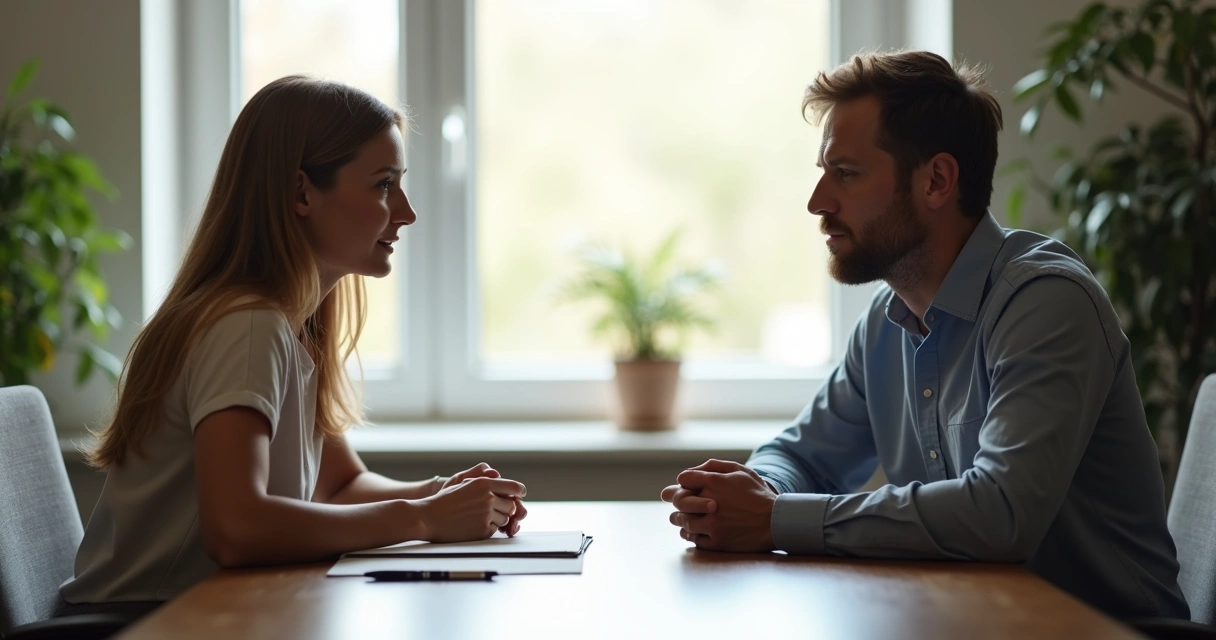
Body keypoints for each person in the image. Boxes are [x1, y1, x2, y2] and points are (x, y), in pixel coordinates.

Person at [661, 51, 1189, 620]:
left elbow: (999, 515)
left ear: (936, 180)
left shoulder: (1046, 302)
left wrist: (773, 518)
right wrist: (748, 491)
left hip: (1102, 631)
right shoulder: (885, 323)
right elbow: (802, 455)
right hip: (970, 620)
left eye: (846, 173)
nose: (818, 202)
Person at [60, 76, 527, 609]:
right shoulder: (247, 326)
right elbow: (236, 529)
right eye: (383, 185)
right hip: (141, 624)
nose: (406, 211)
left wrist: (438, 494)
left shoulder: (291, 326)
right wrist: (420, 518)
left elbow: (342, 486)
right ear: (301, 192)